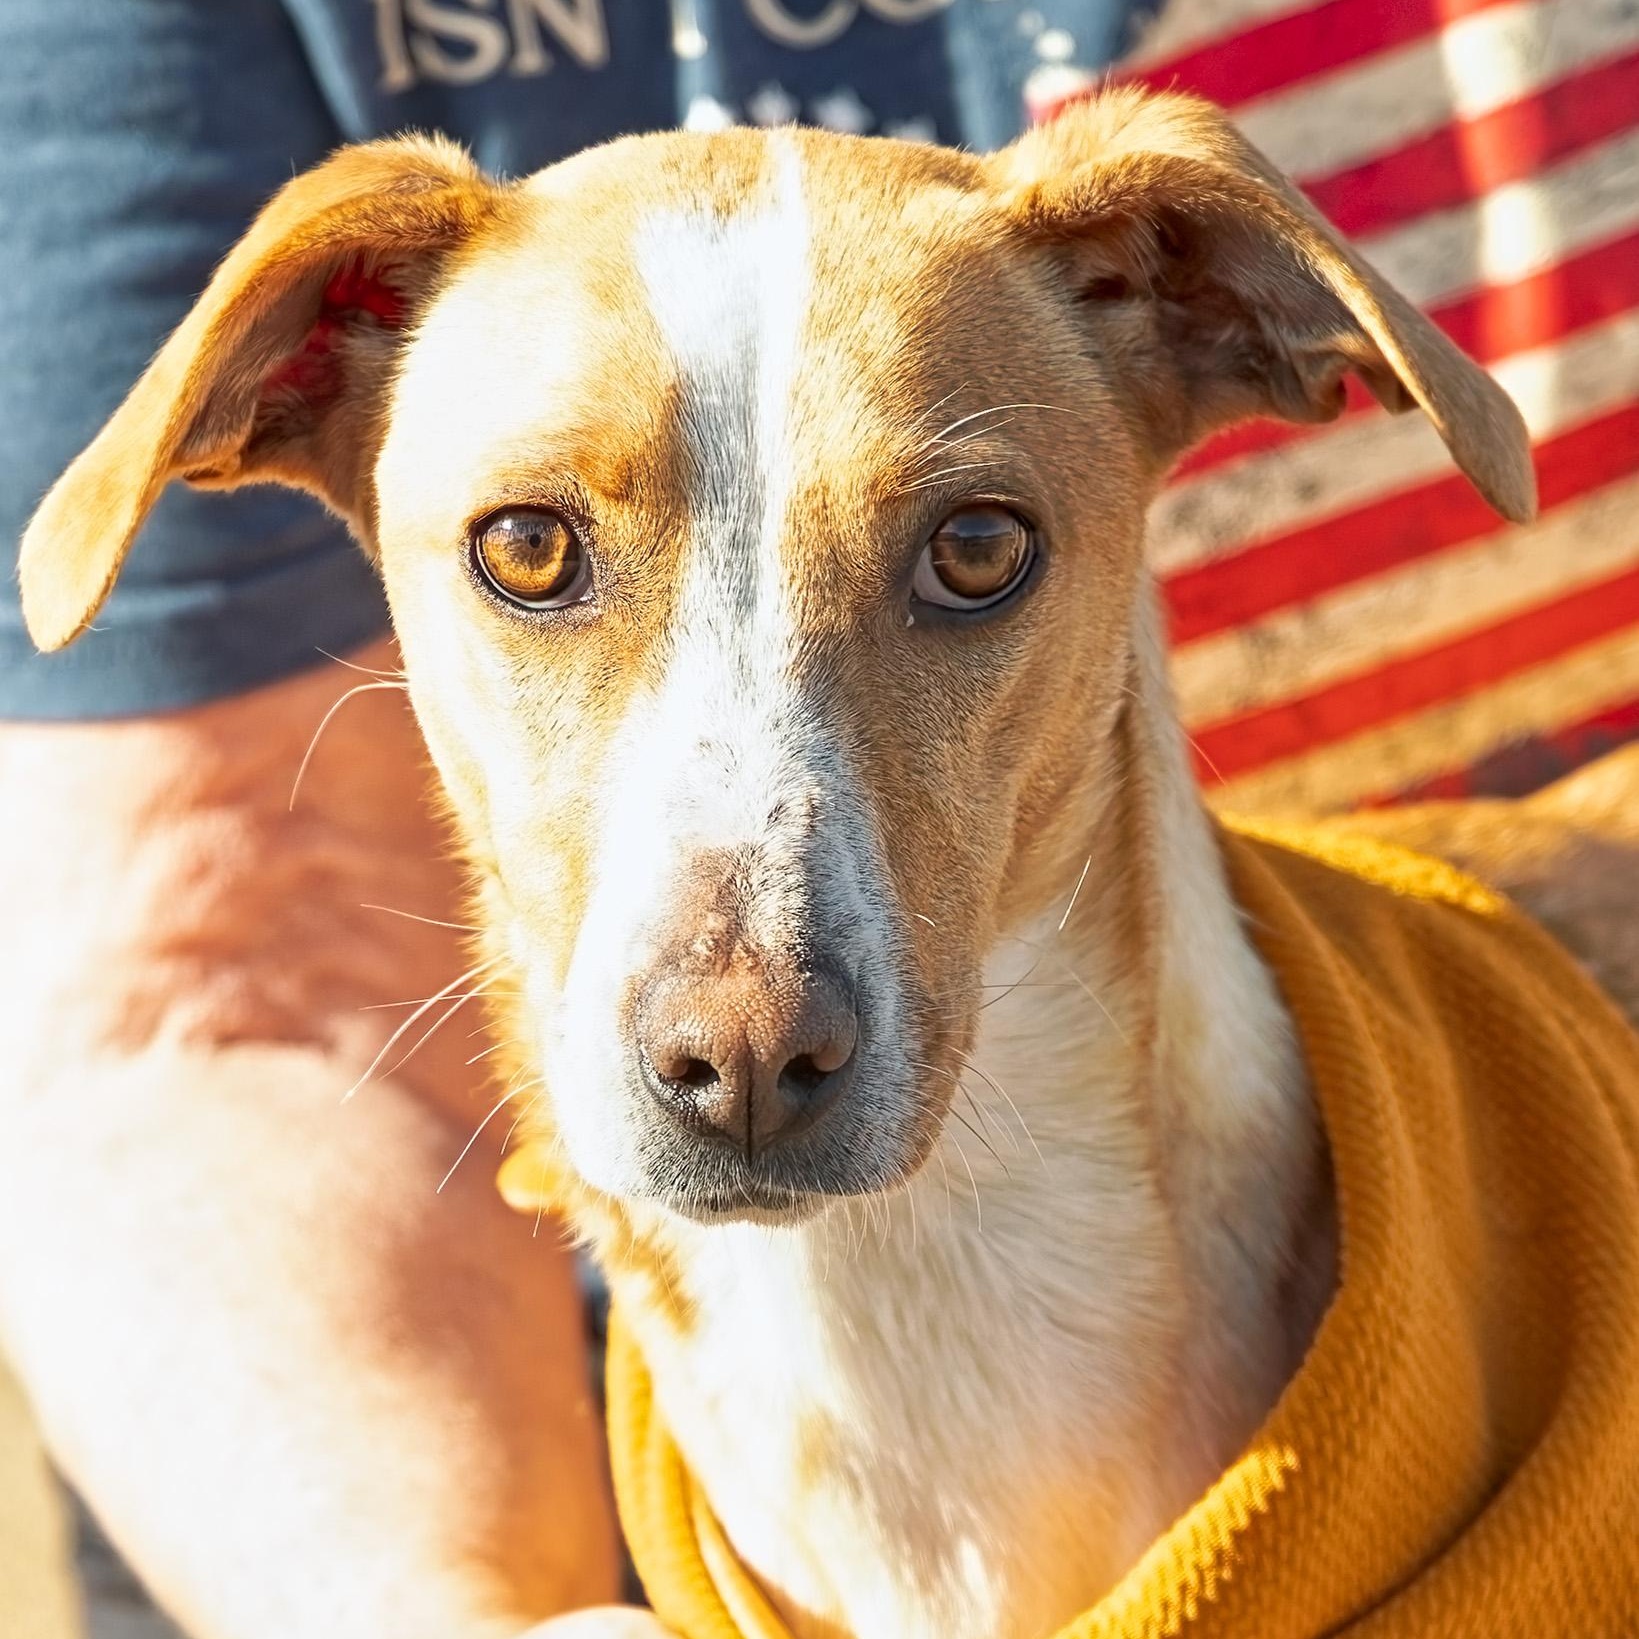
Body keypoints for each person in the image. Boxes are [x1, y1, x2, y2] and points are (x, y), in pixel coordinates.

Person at [0, 4, 1141, 1634]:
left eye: (968, 560)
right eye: (535, 554)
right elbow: (211, 975)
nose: (752, 1007)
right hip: (473, 1424)